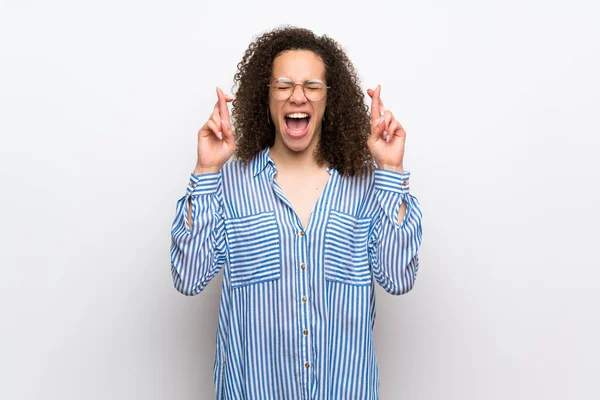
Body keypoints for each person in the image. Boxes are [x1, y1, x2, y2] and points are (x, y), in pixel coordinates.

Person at [170, 26, 423, 400]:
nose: (297, 96)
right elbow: (188, 278)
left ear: (328, 100)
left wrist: (390, 171)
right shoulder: (229, 184)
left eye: (312, 85)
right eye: (284, 84)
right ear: (266, 95)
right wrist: (206, 171)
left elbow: (398, 278)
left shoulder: (367, 186)